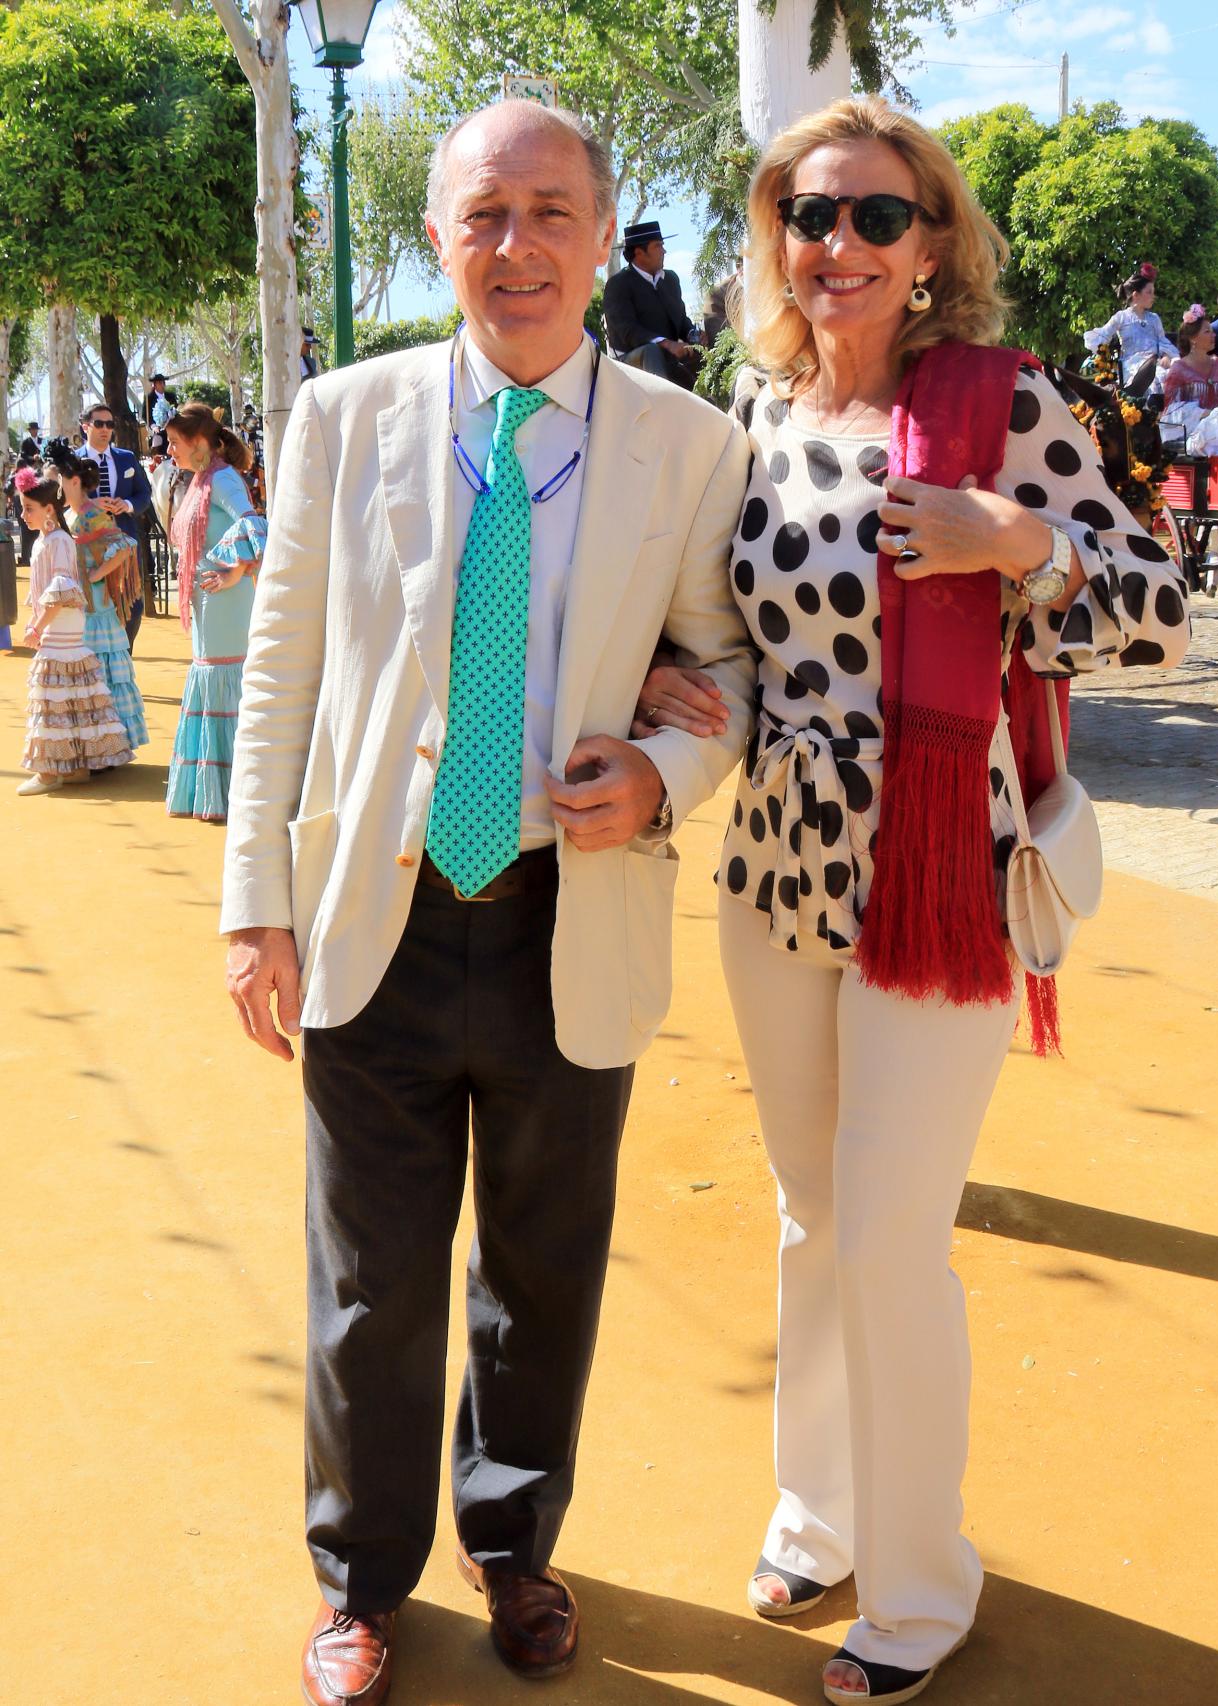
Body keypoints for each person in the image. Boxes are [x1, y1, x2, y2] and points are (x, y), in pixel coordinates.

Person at [635, 96, 1191, 1706]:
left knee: (887, 1234)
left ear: (934, 242)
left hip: (939, 862)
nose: (842, 244)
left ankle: (922, 1579)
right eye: (811, 215)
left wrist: (1014, 540)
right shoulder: (755, 409)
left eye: (879, 215)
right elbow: (729, 631)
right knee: (813, 1215)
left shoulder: (1003, 403)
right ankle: (818, 1509)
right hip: (778, 863)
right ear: (776, 237)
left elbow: (1155, 606)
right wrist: (670, 682)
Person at [219, 98, 754, 1706]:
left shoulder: (691, 443)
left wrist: (662, 767)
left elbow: (724, 665)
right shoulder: (342, 417)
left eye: (549, 212)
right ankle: (359, 1580)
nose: (516, 247)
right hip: (371, 912)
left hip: (566, 911)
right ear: (437, 236)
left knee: (545, 1266)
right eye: (483, 215)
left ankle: (514, 1544)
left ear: (600, 229)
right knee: (369, 1278)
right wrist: (254, 901)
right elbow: (280, 669)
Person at [164, 402, 266, 823]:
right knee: (211, 677)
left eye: (175, 442)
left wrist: (235, 572)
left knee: (224, 679)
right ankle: (215, 793)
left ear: (199, 442)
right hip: (208, 601)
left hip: (225, 601)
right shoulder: (201, 480)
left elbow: (255, 526)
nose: (170, 450)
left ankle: (235, 792)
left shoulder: (222, 479)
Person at [14, 465, 132, 795]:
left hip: (61, 625)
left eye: (29, 509)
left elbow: (61, 592)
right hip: (59, 624)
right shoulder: (47, 541)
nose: (23, 515)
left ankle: (49, 773)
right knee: (68, 693)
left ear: (49, 509)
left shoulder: (59, 541)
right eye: (23, 508)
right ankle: (77, 768)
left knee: (52, 694)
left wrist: (36, 627)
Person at [46, 441, 149, 754]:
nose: (56, 488)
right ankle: (94, 746)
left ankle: (108, 746)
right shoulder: (70, 514)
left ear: (74, 481)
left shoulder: (91, 514)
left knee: (100, 675)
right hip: (81, 609)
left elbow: (125, 545)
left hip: (96, 610)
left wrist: (96, 574)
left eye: (59, 481)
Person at [80, 401, 154, 648]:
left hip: (124, 541)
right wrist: (90, 504)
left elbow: (144, 493)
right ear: (85, 426)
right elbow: (61, 501)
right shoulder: (73, 461)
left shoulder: (127, 458)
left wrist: (128, 504)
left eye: (110, 424)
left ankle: (124, 654)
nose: (105, 429)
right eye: (99, 423)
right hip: (87, 545)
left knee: (132, 604)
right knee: (93, 602)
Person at [602, 219, 702, 388]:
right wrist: (666, 343)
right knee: (651, 351)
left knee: (703, 350)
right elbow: (628, 332)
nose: (664, 251)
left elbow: (681, 320)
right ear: (639, 252)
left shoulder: (670, 280)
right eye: (658, 246)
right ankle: (660, 401)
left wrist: (693, 333)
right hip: (631, 362)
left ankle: (713, 399)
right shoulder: (618, 285)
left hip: (668, 357)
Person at [1084, 261, 1176, 385]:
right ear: (1136, 295)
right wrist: (1103, 354)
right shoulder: (1121, 317)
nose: (1153, 296)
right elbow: (1103, 335)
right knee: (1154, 379)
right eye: (1149, 292)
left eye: (1153, 292)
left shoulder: (1154, 319)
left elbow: (1163, 341)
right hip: (1132, 366)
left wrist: (1166, 356)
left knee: (1172, 377)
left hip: (1155, 363)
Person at [1161, 306, 1218, 411]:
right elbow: (1171, 408)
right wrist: (1201, 414)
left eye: (1212, 331)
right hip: (1192, 420)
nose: (1213, 335)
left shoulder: (1217, 364)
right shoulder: (1179, 369)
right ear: (1192, 338)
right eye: (1207, 332)